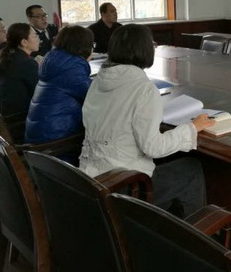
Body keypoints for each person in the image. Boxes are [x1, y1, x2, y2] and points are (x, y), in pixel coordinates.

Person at [79, 24, 214, 218]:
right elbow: (153, 147)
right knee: (191, 168)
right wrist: (192, 128)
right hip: (124, 184)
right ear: (145, 50)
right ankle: (194, 230)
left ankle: (165, 219)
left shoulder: (98, 81)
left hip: (93, 178)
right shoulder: (143, 89)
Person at [25, 26, 94, 146]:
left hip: (40, 136)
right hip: (56, 143)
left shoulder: (53, 59)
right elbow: (94, 97)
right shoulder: (71, 67)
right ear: (84, 47)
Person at [0, 23, 40, 119]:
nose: (39, 39)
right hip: (18, 116)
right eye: (35, 36)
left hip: (5, 112)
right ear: (24, 42)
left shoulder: (10, 55)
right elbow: (40, 91)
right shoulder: (26, 62)